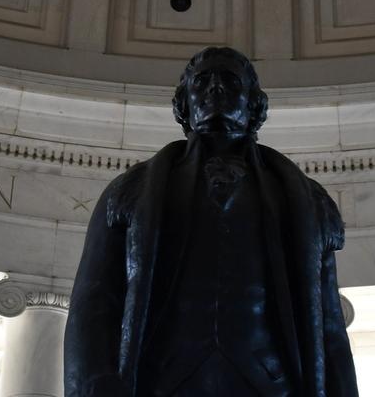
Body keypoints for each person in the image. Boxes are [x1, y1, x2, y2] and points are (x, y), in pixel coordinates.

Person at [65, 46, 358, 397]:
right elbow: (95, 300)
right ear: (184, 103)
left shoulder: (308, 201)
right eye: (202, 82)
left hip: (273, 383)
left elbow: (329, 323)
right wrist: (94, 384)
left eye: (230, 81)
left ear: (253, 103)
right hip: (161, 381)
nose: (215, 90)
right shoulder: (131, 190)